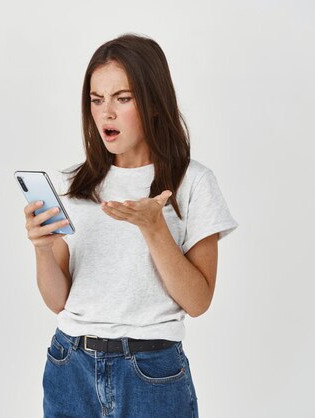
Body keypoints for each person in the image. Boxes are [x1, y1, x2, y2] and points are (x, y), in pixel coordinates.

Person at [22, 33, 238, 418]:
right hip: (70, 364)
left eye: (123, 99)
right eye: (96, 99)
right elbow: (58, 300)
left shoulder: (193, 183)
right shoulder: (76, 186)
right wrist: (41, 248)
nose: (106, 112)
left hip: (150, 372)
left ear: (153, 104)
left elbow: (199, 300)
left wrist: (155, 229)